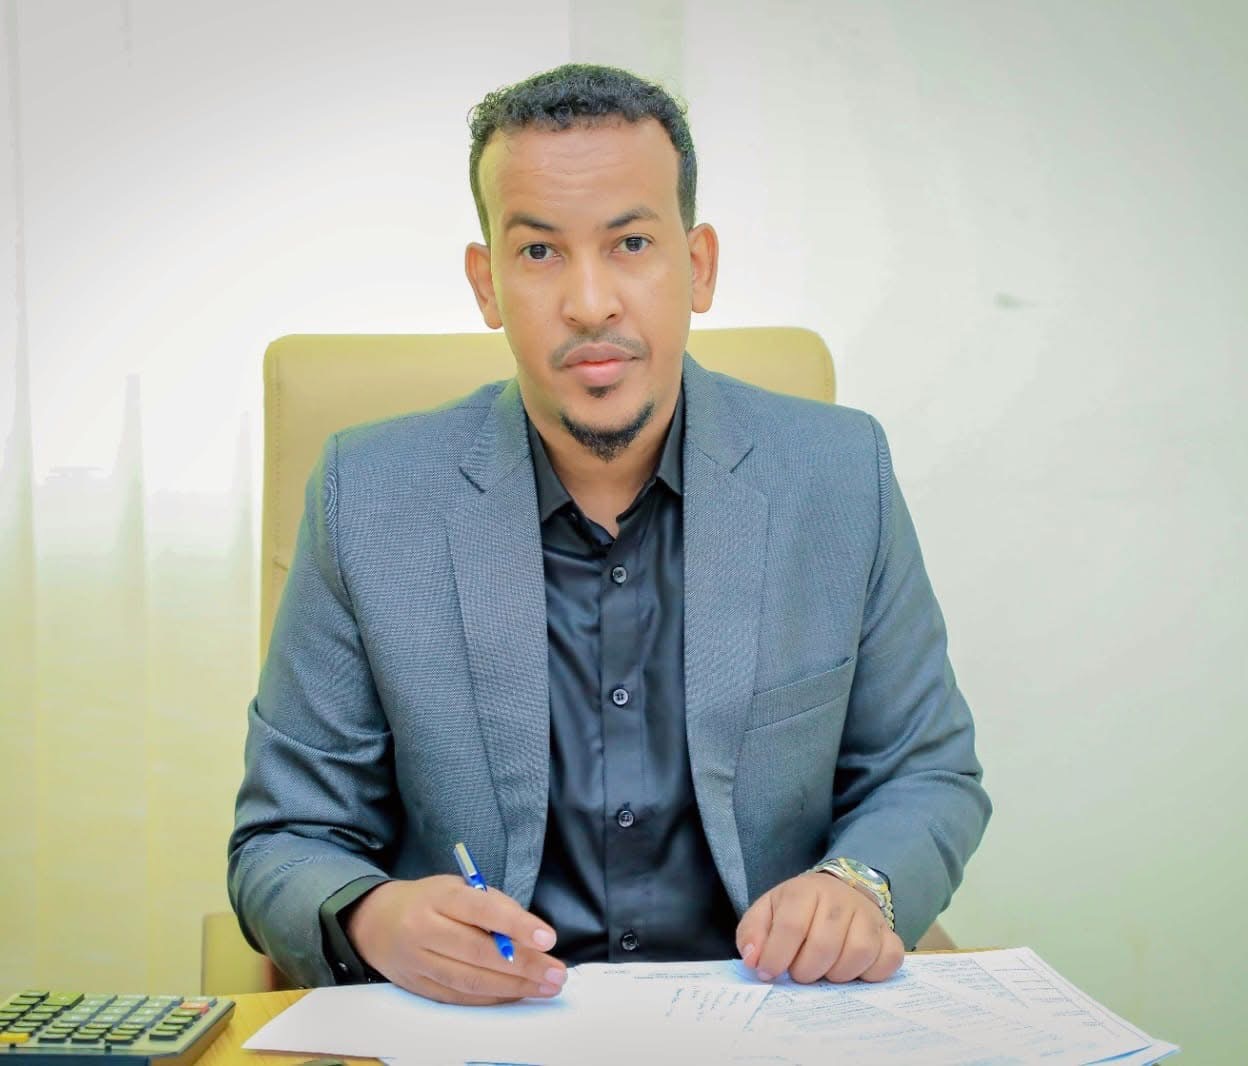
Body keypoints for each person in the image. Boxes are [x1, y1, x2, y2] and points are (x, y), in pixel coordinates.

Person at [228, 63, 990, 1006]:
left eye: (631, 242)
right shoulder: (369, 495)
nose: (590, 302)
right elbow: (284, 838)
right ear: (487, 284)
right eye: (539, 252)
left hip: (766, 1020)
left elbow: (925, 771)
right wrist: (373, 918)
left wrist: (859, 886)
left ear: (699, 265)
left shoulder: (838, 475)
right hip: (485, 1026)